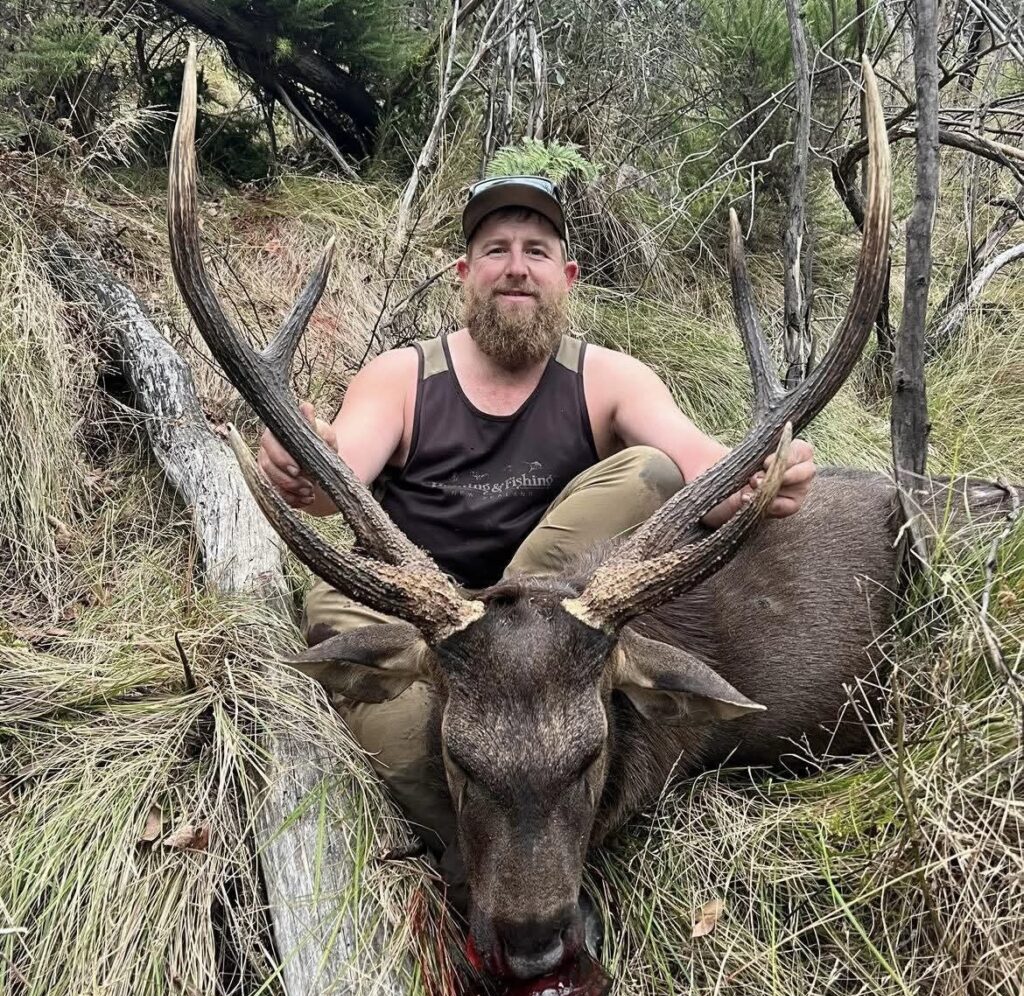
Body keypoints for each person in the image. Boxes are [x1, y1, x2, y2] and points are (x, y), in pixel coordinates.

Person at [257, 175, 815, 859]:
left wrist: (754, 478)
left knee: (654, 472)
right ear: (464, 273)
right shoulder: (402, 376)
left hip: (547, 629)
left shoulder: (609, 377)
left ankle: (520, 825)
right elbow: (337, 477)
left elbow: (697, 462)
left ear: (567, 276)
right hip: (418, 617)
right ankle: (475, 869)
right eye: (495, 250)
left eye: (536, 250)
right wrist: (307, 462)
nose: (516, 267)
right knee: (423, 763)